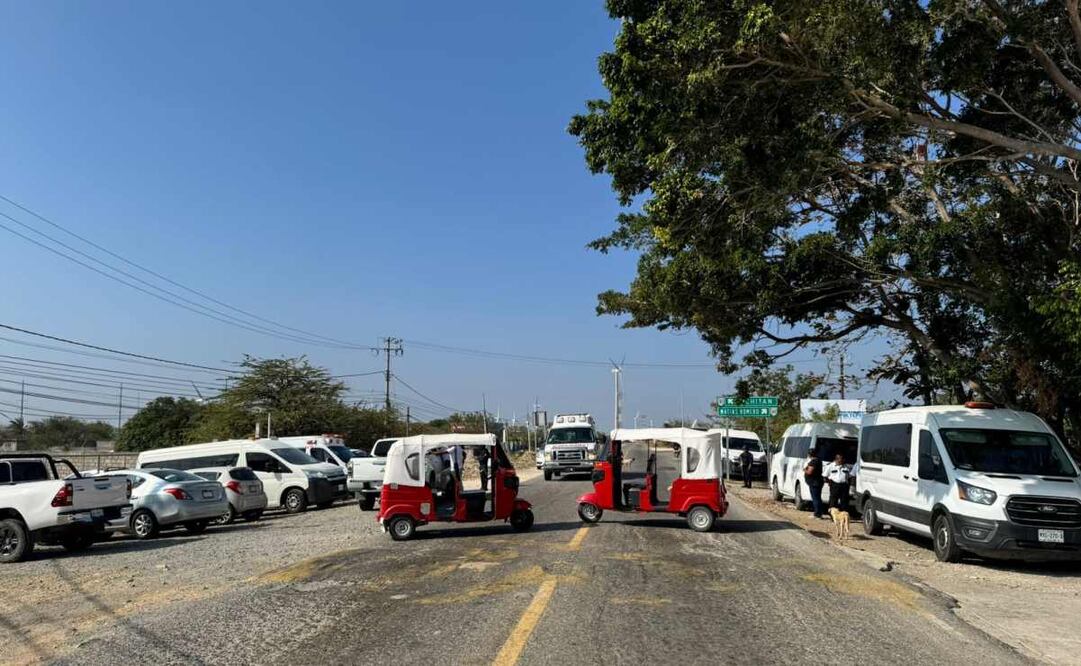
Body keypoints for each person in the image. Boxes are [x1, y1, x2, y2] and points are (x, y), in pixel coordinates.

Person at [804, 447, 826, 519]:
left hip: (814, 482)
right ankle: (819, 513)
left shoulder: (814, 462)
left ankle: (817, 514)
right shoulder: (819, 460)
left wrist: (805, 470)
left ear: (810, 454)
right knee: (818, 498)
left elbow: (810, 472)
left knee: (815, 498)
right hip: (817, 481)